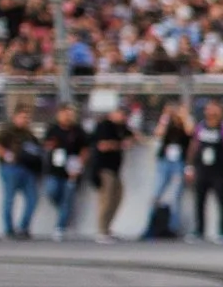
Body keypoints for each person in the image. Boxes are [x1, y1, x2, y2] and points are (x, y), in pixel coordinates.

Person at [188, 99, 223, 242]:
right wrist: (190, 166)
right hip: (202, 168)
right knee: (199, 201)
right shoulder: (201, 127)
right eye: (209, 109)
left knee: (221, 201)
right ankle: (199, 230)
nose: (211, 112)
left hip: (219, 169)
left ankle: (222, 231)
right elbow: (194, 146)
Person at [87, 102, 138, 242]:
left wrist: (131, 139)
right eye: (122, 114)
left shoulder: (121, 128)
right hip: (103, 168)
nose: (124, 117)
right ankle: (101, 230)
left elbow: (135, 136)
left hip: (116, 169)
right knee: (107, 199)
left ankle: (107, 228)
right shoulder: (104, 126)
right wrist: (120, 144)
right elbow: (102, 146)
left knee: (117, 197)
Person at [0, 103, 43, 238]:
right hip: (12, 168)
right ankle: (9, 230)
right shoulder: (7, 130)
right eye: (23, 117)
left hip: (27, 169)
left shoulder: (29, 134)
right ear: (15, 117)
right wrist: (8, 155)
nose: (25, 120)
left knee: (32, 199)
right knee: (9, 199)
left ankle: (23, 228)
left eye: (27, 117)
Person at [40, 102, 90, 240]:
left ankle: (60, 227)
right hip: (54, 170)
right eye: (65, 114)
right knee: (52, 191)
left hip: (71, 171)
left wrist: (79, 165)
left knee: (67, 199)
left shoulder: (78, 131)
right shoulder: (52, 129)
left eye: (70, 114)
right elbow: (45, 145)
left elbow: (85, 149)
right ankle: (64, 213)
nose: (67, 117)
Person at [146, 101, 191, 239]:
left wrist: (184, 116)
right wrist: (165, 116)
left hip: (179, 161)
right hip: (165, 161)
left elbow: (190, 131)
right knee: (156, 193)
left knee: (176, 195)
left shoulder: (184, 124)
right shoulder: (167, 123)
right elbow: (158, 133)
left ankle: (173, 227)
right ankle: (150, 225)